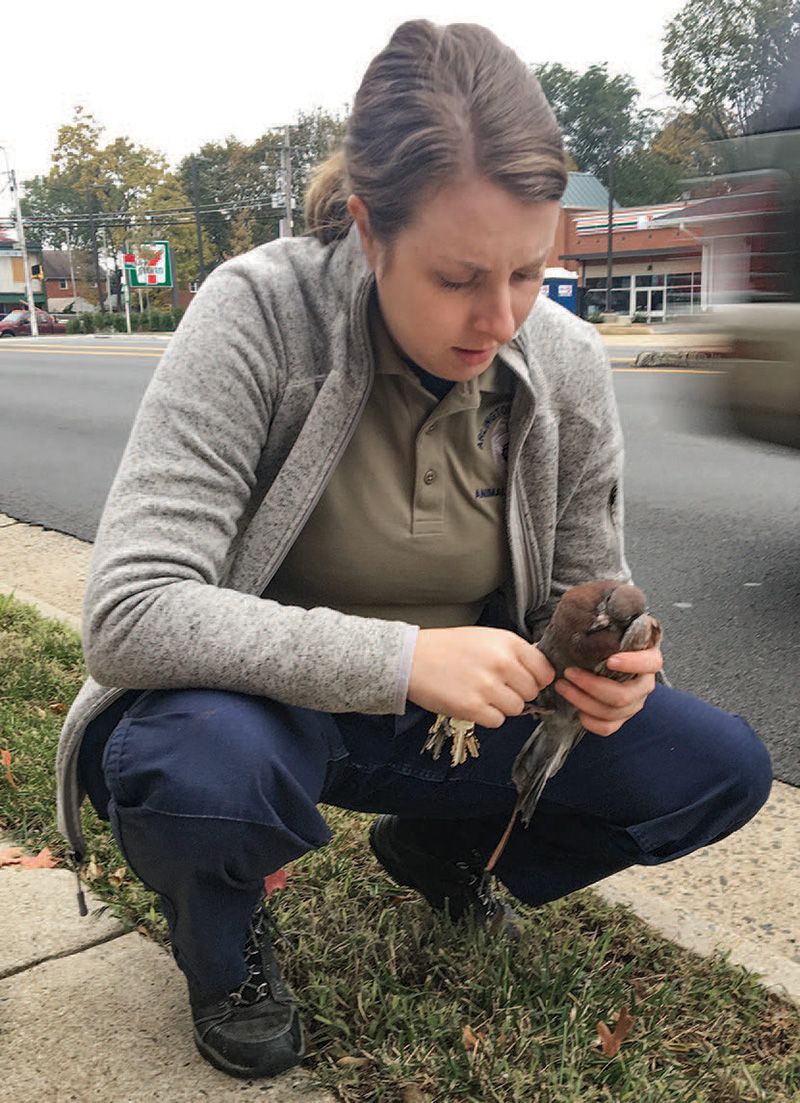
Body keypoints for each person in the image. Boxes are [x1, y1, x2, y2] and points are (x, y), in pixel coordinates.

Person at [56, 19, 772, 1083]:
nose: (498, 317)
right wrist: (398, 658)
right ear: (366, 228)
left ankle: (441, 849)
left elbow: (584, 577)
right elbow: (128, 610)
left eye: (530, 271)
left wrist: (600, 649)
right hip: (257, 708)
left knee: (712, 768)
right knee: (198, 771)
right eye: (457, 277)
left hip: (464, 717)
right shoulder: (257, 315)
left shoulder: (562, 358)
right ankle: (227, 936)